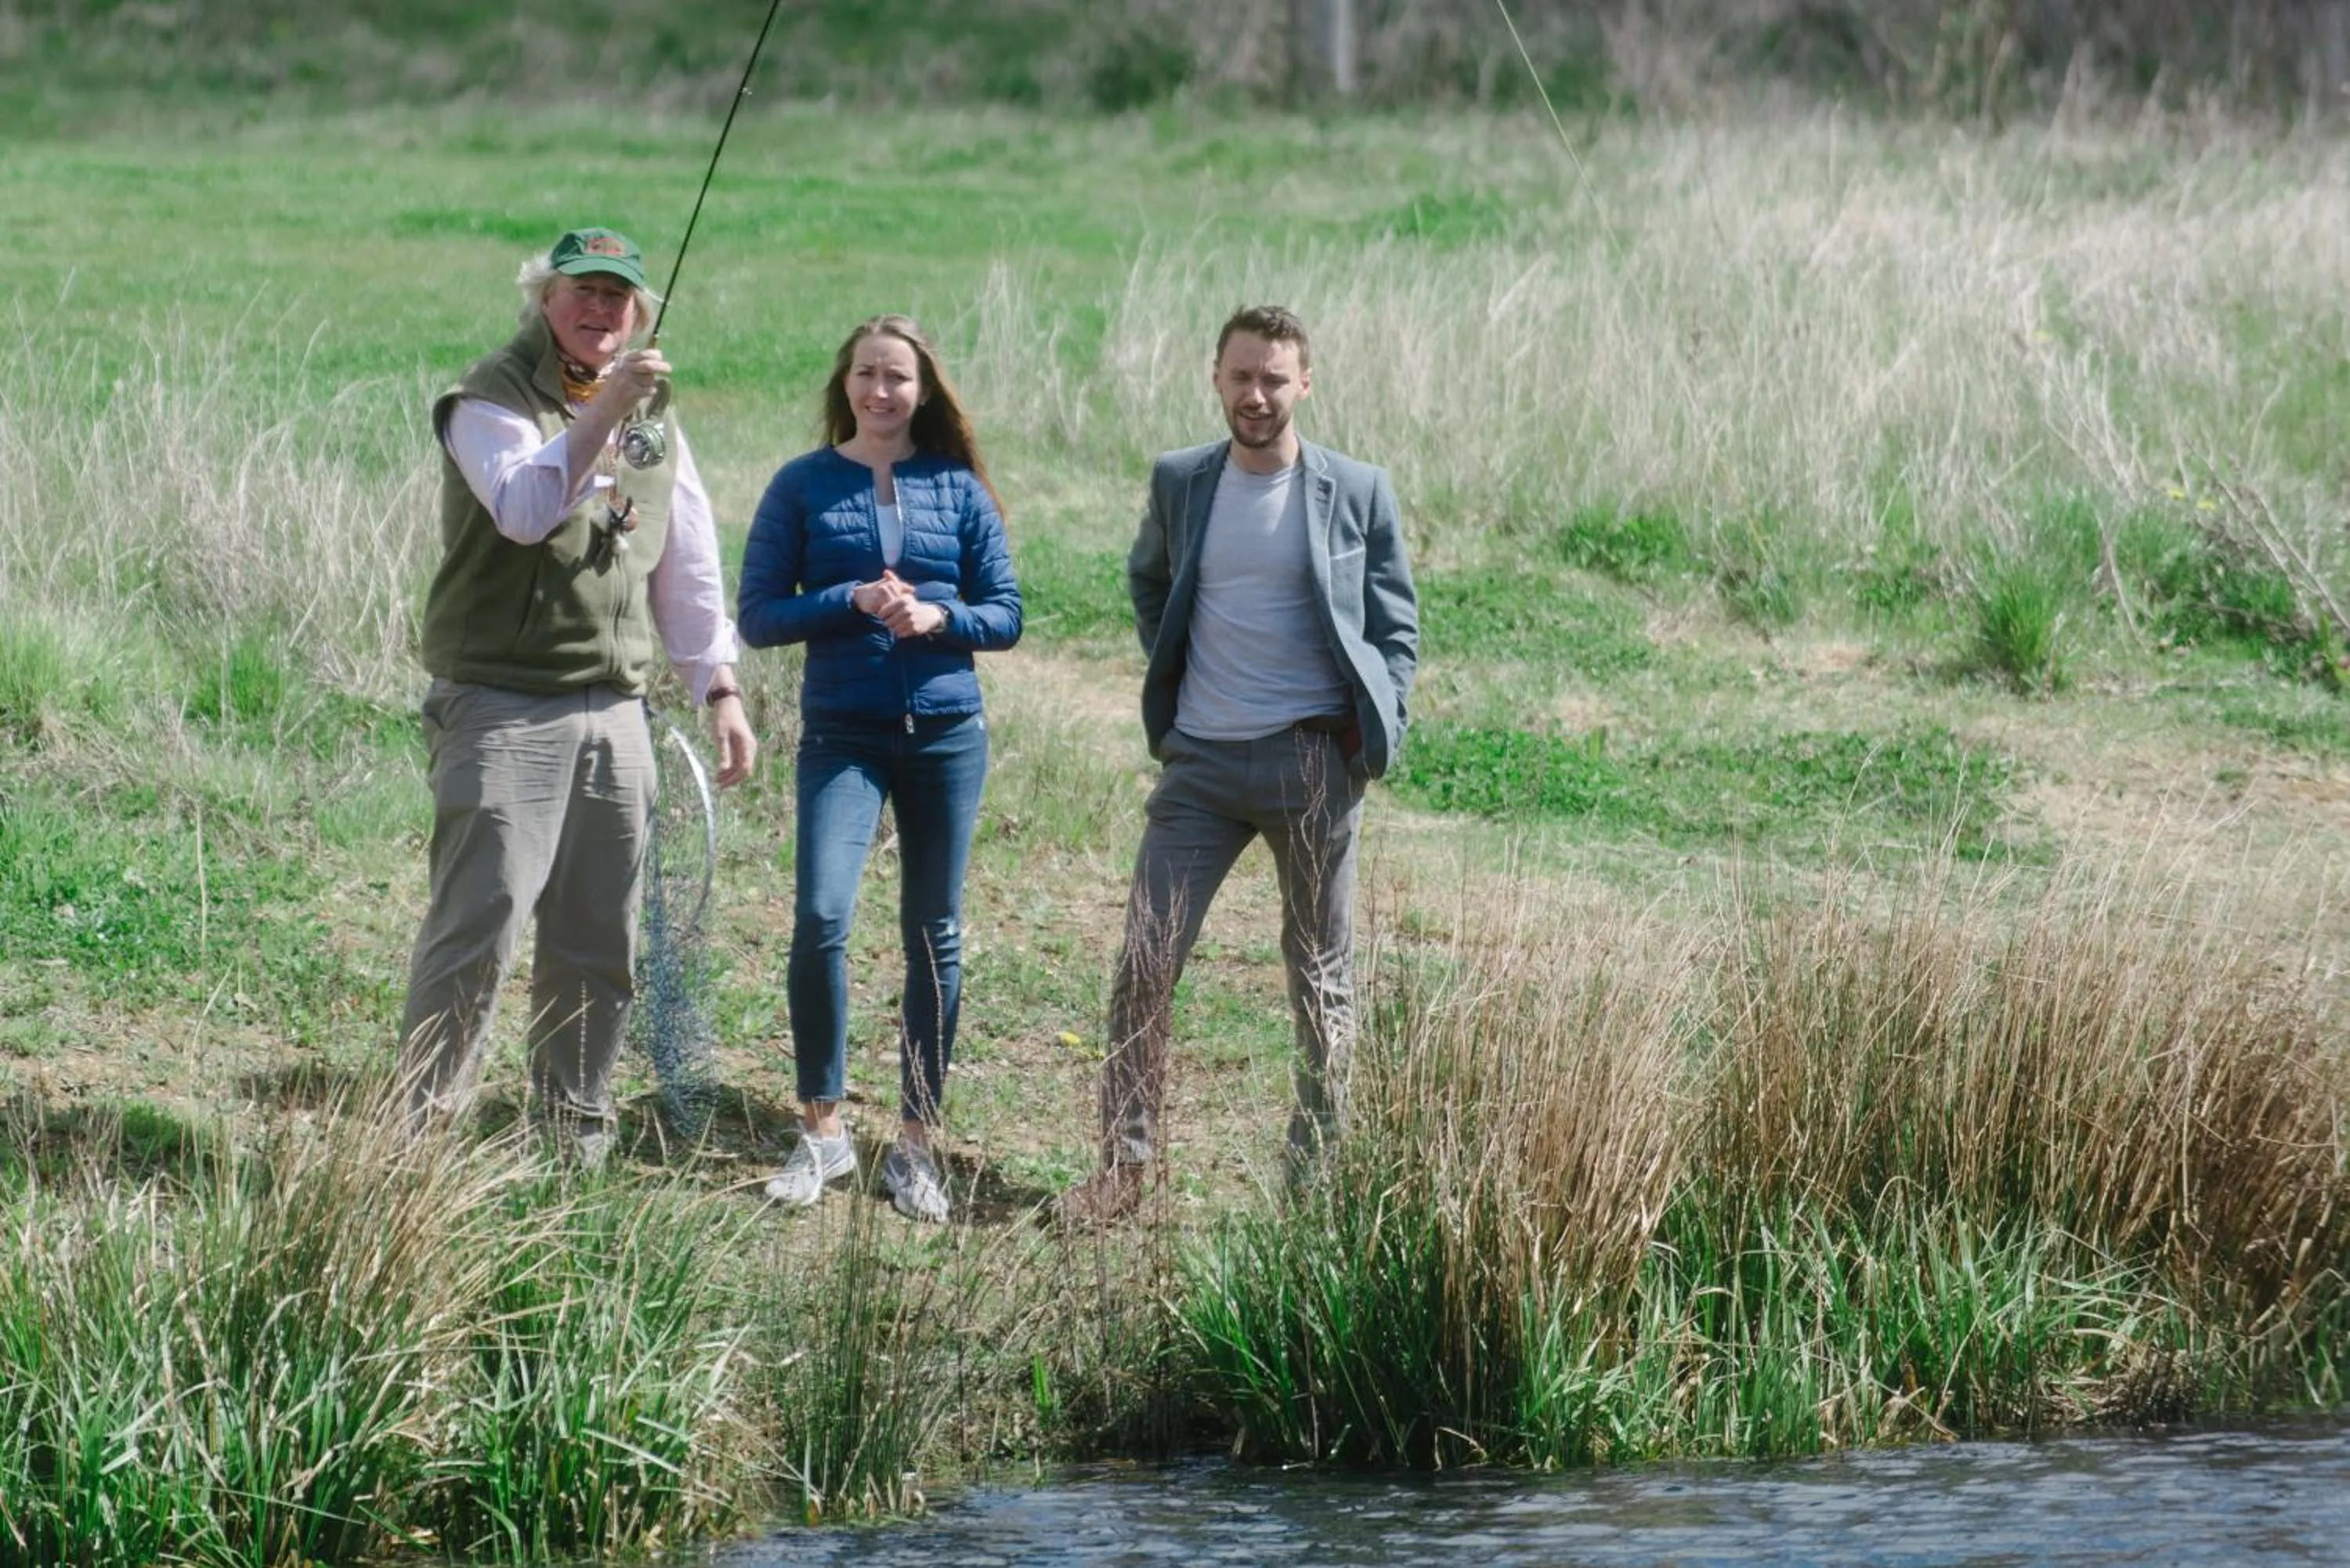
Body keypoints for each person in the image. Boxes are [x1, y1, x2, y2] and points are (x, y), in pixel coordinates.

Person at [398, 226, 757, 1166]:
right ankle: (417, 1147)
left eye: (620, 297)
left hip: (615, 708)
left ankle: (573, 1145)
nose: (601, 312)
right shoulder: (491, 396)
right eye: (582, 293)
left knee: (600, 940)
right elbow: (521, 509)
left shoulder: (648, 410)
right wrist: (604, 417)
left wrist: (716, 683)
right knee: (479, 931)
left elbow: (688, 559)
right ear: (543, 301)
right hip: (504, 704)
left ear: (640, 313)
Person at [1059, 304, 1419, 1224]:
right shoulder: (1183, 480)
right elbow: (1150, 580)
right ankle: (1123, 1171)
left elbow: (1394, 626)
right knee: (1144, 958)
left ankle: (1316, 1182)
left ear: (1306, 383)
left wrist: (1373, 729)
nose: (1255, 395)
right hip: (1202, 767)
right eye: (1240, 376)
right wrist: (1174, 668)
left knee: (1320, 973)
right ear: (1215, 377)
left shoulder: (1358, 490)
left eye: (1273, 378)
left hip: (1311, 765)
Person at [737, 313, 1022, 1223]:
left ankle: (914, 1145)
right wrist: (850, 598)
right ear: (845, 384)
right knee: (821, 915)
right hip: (843, 734)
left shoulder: (960, 490)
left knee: (934, 934)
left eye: (897, 377)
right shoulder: (804, 486)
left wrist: (941, 618)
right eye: (866, 374)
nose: (881, 391)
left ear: (924, 389)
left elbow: (1007, 613)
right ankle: (823, 1130)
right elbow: (758, 615)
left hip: (945, 732)